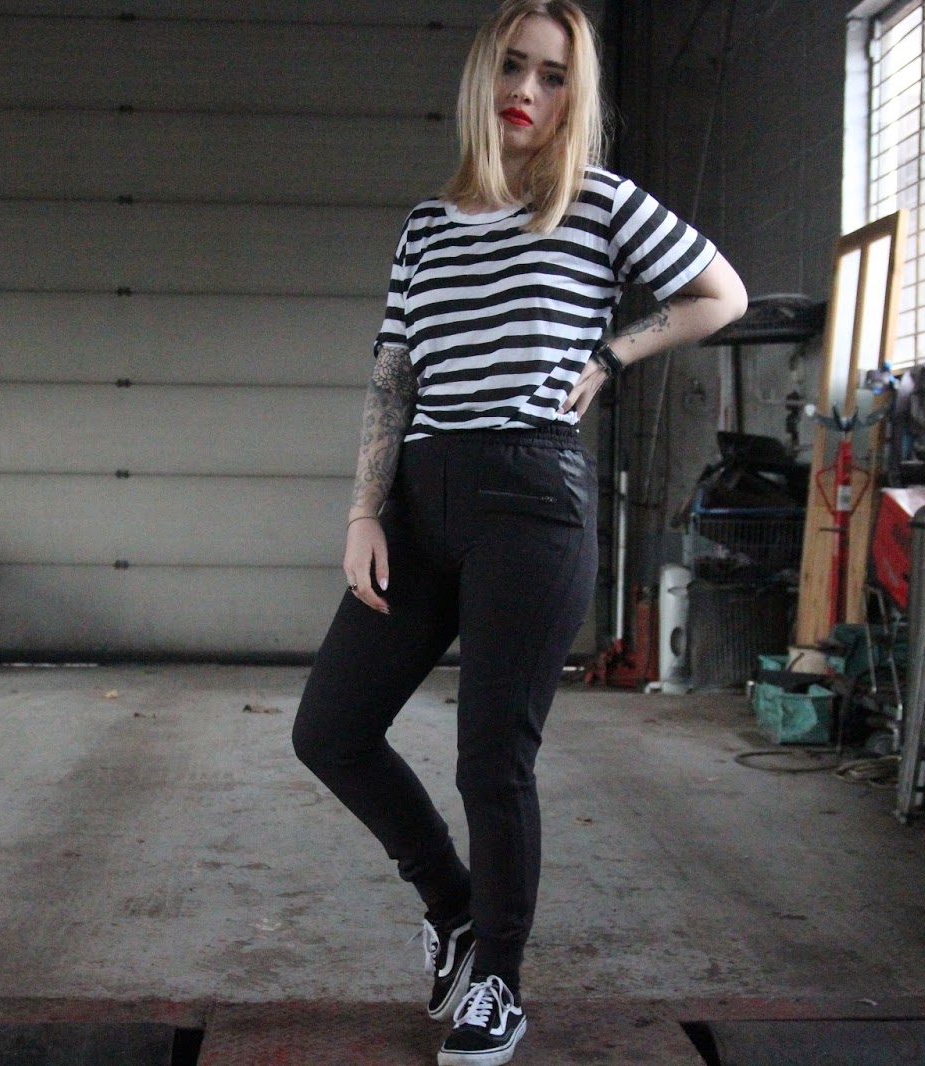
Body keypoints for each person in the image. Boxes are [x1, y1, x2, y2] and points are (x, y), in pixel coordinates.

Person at [293, 2, 747, 1062]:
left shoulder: (598, 202)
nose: (527, 92)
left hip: (531, 497)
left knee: (491, 760)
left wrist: (614, 353)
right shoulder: (426, 225)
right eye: (513, 66)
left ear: (573, 94)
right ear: (481, 74)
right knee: (331, 730)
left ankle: (498, 978)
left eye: (552, 75)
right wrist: (364, 510)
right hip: (421, 501)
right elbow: (393, 375)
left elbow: (718, 292)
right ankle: (452, 905)